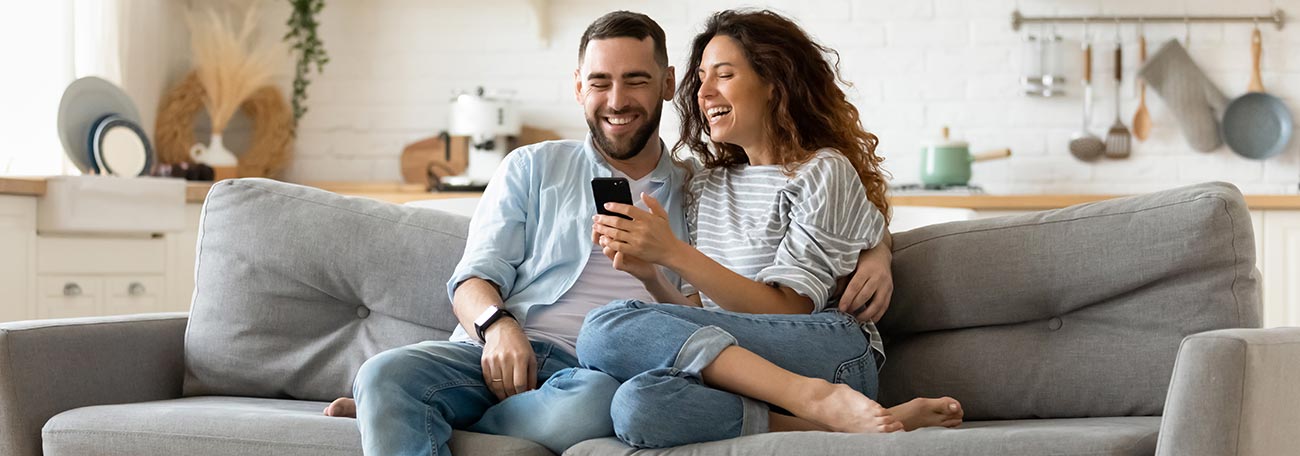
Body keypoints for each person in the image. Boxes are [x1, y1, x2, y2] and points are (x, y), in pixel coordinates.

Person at [333, 11, 896, 456]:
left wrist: (879, 251)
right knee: (385, 373)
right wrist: (497, 325)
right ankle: (405, 403)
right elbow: (473, 277)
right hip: (503, 350)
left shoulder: (694, 186)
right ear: (579, 87)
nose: (617, 100)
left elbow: (826, 219)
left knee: (598, 404)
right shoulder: (533, 167)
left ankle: (421, 415)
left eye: (636, 80)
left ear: (667, 85)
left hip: (596, 375)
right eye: (600, 82)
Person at [582, 9, 962, 449]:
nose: (703, 92)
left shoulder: (821, 172)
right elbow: (703, 318)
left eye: (723, 74)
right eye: (701, 77)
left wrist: (673, 253)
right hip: (744, 363)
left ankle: (817, 397)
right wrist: (650, 274)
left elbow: (789, 311)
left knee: (603, 327)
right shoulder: (704, 184)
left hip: (827, 353)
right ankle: (833, 421)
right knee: (636, 406)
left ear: (774, 84)